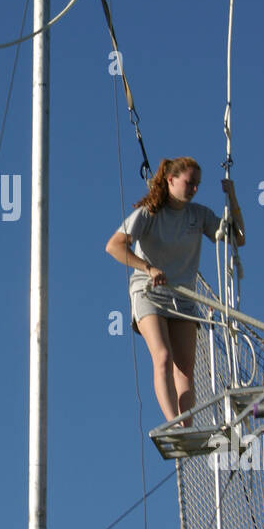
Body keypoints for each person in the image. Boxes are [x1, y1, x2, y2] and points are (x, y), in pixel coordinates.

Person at [106, 157, 245, 423]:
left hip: (183, 297)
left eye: (197, 185)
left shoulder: (198, 215)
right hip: (149, 293)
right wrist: (148, 268)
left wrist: (233, 197)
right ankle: (173, 421)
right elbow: (114, 245)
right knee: (163, 355)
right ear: (171, 180)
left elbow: (238, 238)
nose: (194, 190)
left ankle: (187, 424)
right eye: (189, 183)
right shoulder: (149, 213)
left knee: (185, 369)